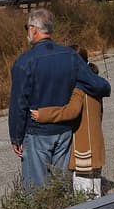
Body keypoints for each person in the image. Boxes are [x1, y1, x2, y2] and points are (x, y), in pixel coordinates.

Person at [9, 8, 111, 189]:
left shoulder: (24, 62)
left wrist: (16, 138)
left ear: (33, 29)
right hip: (64, 132)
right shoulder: (70, 56)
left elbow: (19, 104)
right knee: (61, 186)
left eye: (27, 27)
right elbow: (99, 85)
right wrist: (84, 86)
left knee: (35, 190)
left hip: (37, 132)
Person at [30, 46, 105, 198]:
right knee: (94, 189)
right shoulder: (95, 83)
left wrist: (43, 114)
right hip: (95, 144)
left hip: (83, 148)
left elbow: (71, 111)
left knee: (84, 196)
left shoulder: (80, 87)